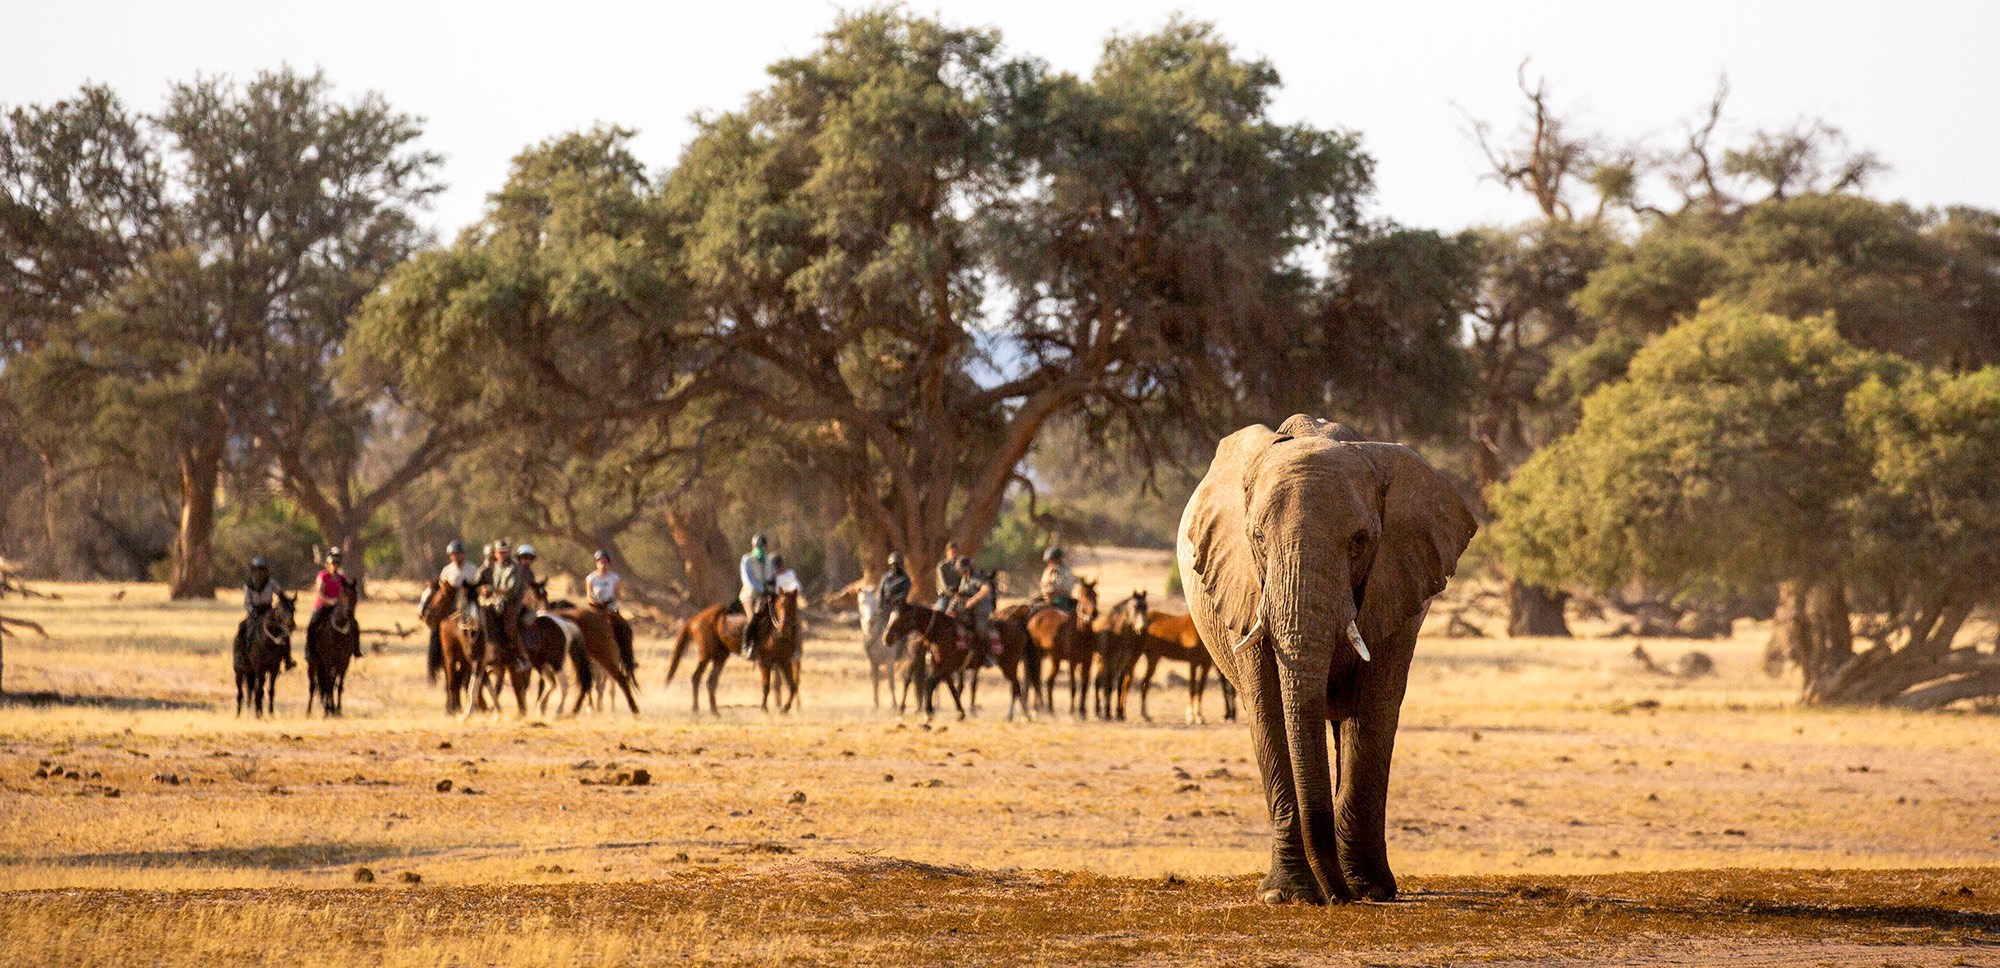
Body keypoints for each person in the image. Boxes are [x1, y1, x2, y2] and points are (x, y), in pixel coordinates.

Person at [476, 538, 532, 674]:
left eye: (505, 552)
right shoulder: (494, 567)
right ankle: (487, 655)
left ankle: (521, 657)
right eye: (499, 552)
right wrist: (483, 590)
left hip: (512, 603)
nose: (502, 554)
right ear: (494, 554)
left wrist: (492, 589)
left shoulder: (515, 567)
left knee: (509, 627)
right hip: (496, 602)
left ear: (509, 552)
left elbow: (511, 591)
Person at [587, 550, 636, 675]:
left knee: (624, 627)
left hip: (610, 607)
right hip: (596, 607)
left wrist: (610, 601)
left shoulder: (614, 578)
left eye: (605, 561)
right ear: (596, 563)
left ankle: (629, 657)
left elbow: (618, 595)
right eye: (600, 561)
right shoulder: (591, 578)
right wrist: (595, 602)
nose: (603, 564)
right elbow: (588, 596)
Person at [241, 557, 294, 671]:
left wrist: (286, 601)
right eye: (257, 570)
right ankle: (241, 657)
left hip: (269, 611)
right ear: (253, 571)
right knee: (243, 629)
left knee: (284, 633)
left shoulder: (271, 582)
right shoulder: (248, 585)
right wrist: (252, 611)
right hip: (254, 612)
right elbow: (246, 603)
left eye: (262, 570)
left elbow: (280, 594)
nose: (259, 573)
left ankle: (287, 659)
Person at [312, 548, 363, 658]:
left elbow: (344, 593)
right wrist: (329, 601)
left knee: (354, 624)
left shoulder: (341, 578)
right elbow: (320, 592)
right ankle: (310, 652)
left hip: (337, 608)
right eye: (332, 563)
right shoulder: (323, 576)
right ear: (327, 564)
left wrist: (345, 602)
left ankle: (356, 649)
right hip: (323, 607)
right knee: (313, 623)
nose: (335, 565)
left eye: (337, 563)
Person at [949, 555, 999, 666]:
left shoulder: (978, 577)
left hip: (980, 610)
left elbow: (986, 590)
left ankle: (988, 655)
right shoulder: (964, 579)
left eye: (962, 569)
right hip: (967, 611)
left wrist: (973, 600)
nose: (960, 571)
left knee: (980, 629)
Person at [739, 533, 776, 656]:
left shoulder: (769, 560)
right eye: (758, 546)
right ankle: (747, 646)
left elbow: (771, 576)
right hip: (750, 595)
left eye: (762, 546)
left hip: (766, 595)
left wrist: (772, 585)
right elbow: (748, 579)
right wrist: (761, 588)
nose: (760, 549)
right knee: (753, 618)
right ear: (753, 547)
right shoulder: (747, 560)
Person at [1040, 546, 1078, 615]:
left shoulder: (1066, 571)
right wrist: (1045, 592)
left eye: (1051, 560)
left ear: (1058, 559)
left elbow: (1067, 588)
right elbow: (1043, 584)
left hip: (1060, 598)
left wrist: (1054, 592)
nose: (1049, 562)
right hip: (1046, 598)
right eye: (1048, 560)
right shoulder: (1047, 571)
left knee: (1062, 613)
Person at [934, 541, 962, 609]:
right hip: (945, 596)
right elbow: (943, 585)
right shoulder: (942, 566)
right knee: (940, 612)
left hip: (959, 595)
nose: (954, 554)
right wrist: (952, 594)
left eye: (956, 552)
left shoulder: (960, 565)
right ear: (946, 552)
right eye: (952, 552)